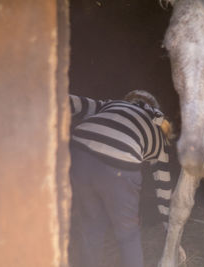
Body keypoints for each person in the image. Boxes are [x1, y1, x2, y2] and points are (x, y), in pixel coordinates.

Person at [68, 90, 175, 267]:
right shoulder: (159, 130)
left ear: (129, 101)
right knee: (128, 235)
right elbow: (164, 188)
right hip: (119, 164)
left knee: (91, 228)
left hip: (80, 152)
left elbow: (74, 102)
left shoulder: (110, 104)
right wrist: (170, 233)